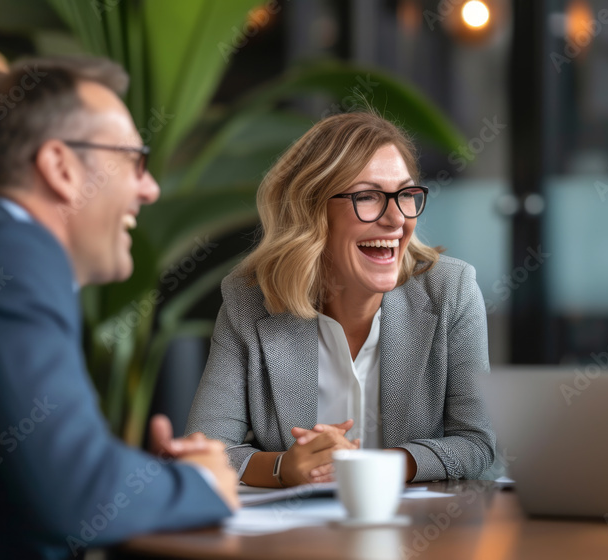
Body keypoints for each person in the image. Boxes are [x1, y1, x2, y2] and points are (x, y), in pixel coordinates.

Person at [0, 56, 237, 560]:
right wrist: (198, 483)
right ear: (61, 168)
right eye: (134, 159)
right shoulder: (14, 256)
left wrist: (139, 480)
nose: (150, 188)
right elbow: (77, 493)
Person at [186, 111, 496, 487]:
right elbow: (205, 452)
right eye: (367, 197)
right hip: (292, 539)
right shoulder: (248, 301)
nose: (396, 219)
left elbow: (476, 445)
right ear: (311, 209)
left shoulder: (451, 289)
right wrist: (285, 467)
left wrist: (369, 468)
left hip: (418, 537)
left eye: (405, 195)